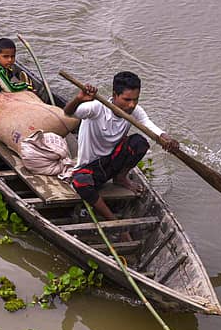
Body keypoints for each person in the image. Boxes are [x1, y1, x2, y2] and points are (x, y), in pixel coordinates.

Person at [64, 71, 179, 225]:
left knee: (140, 142)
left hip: (112, 164)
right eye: (127, 100)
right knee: (80, 182)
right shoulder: (97, 108)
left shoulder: (135, 111)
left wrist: (166, 138)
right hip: (91, 168)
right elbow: (68, 112)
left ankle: (121, 178)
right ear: (115, 95)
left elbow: (149, 126)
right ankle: (113, 220)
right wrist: (79, 99)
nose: (131, 105)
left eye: (135, 100)